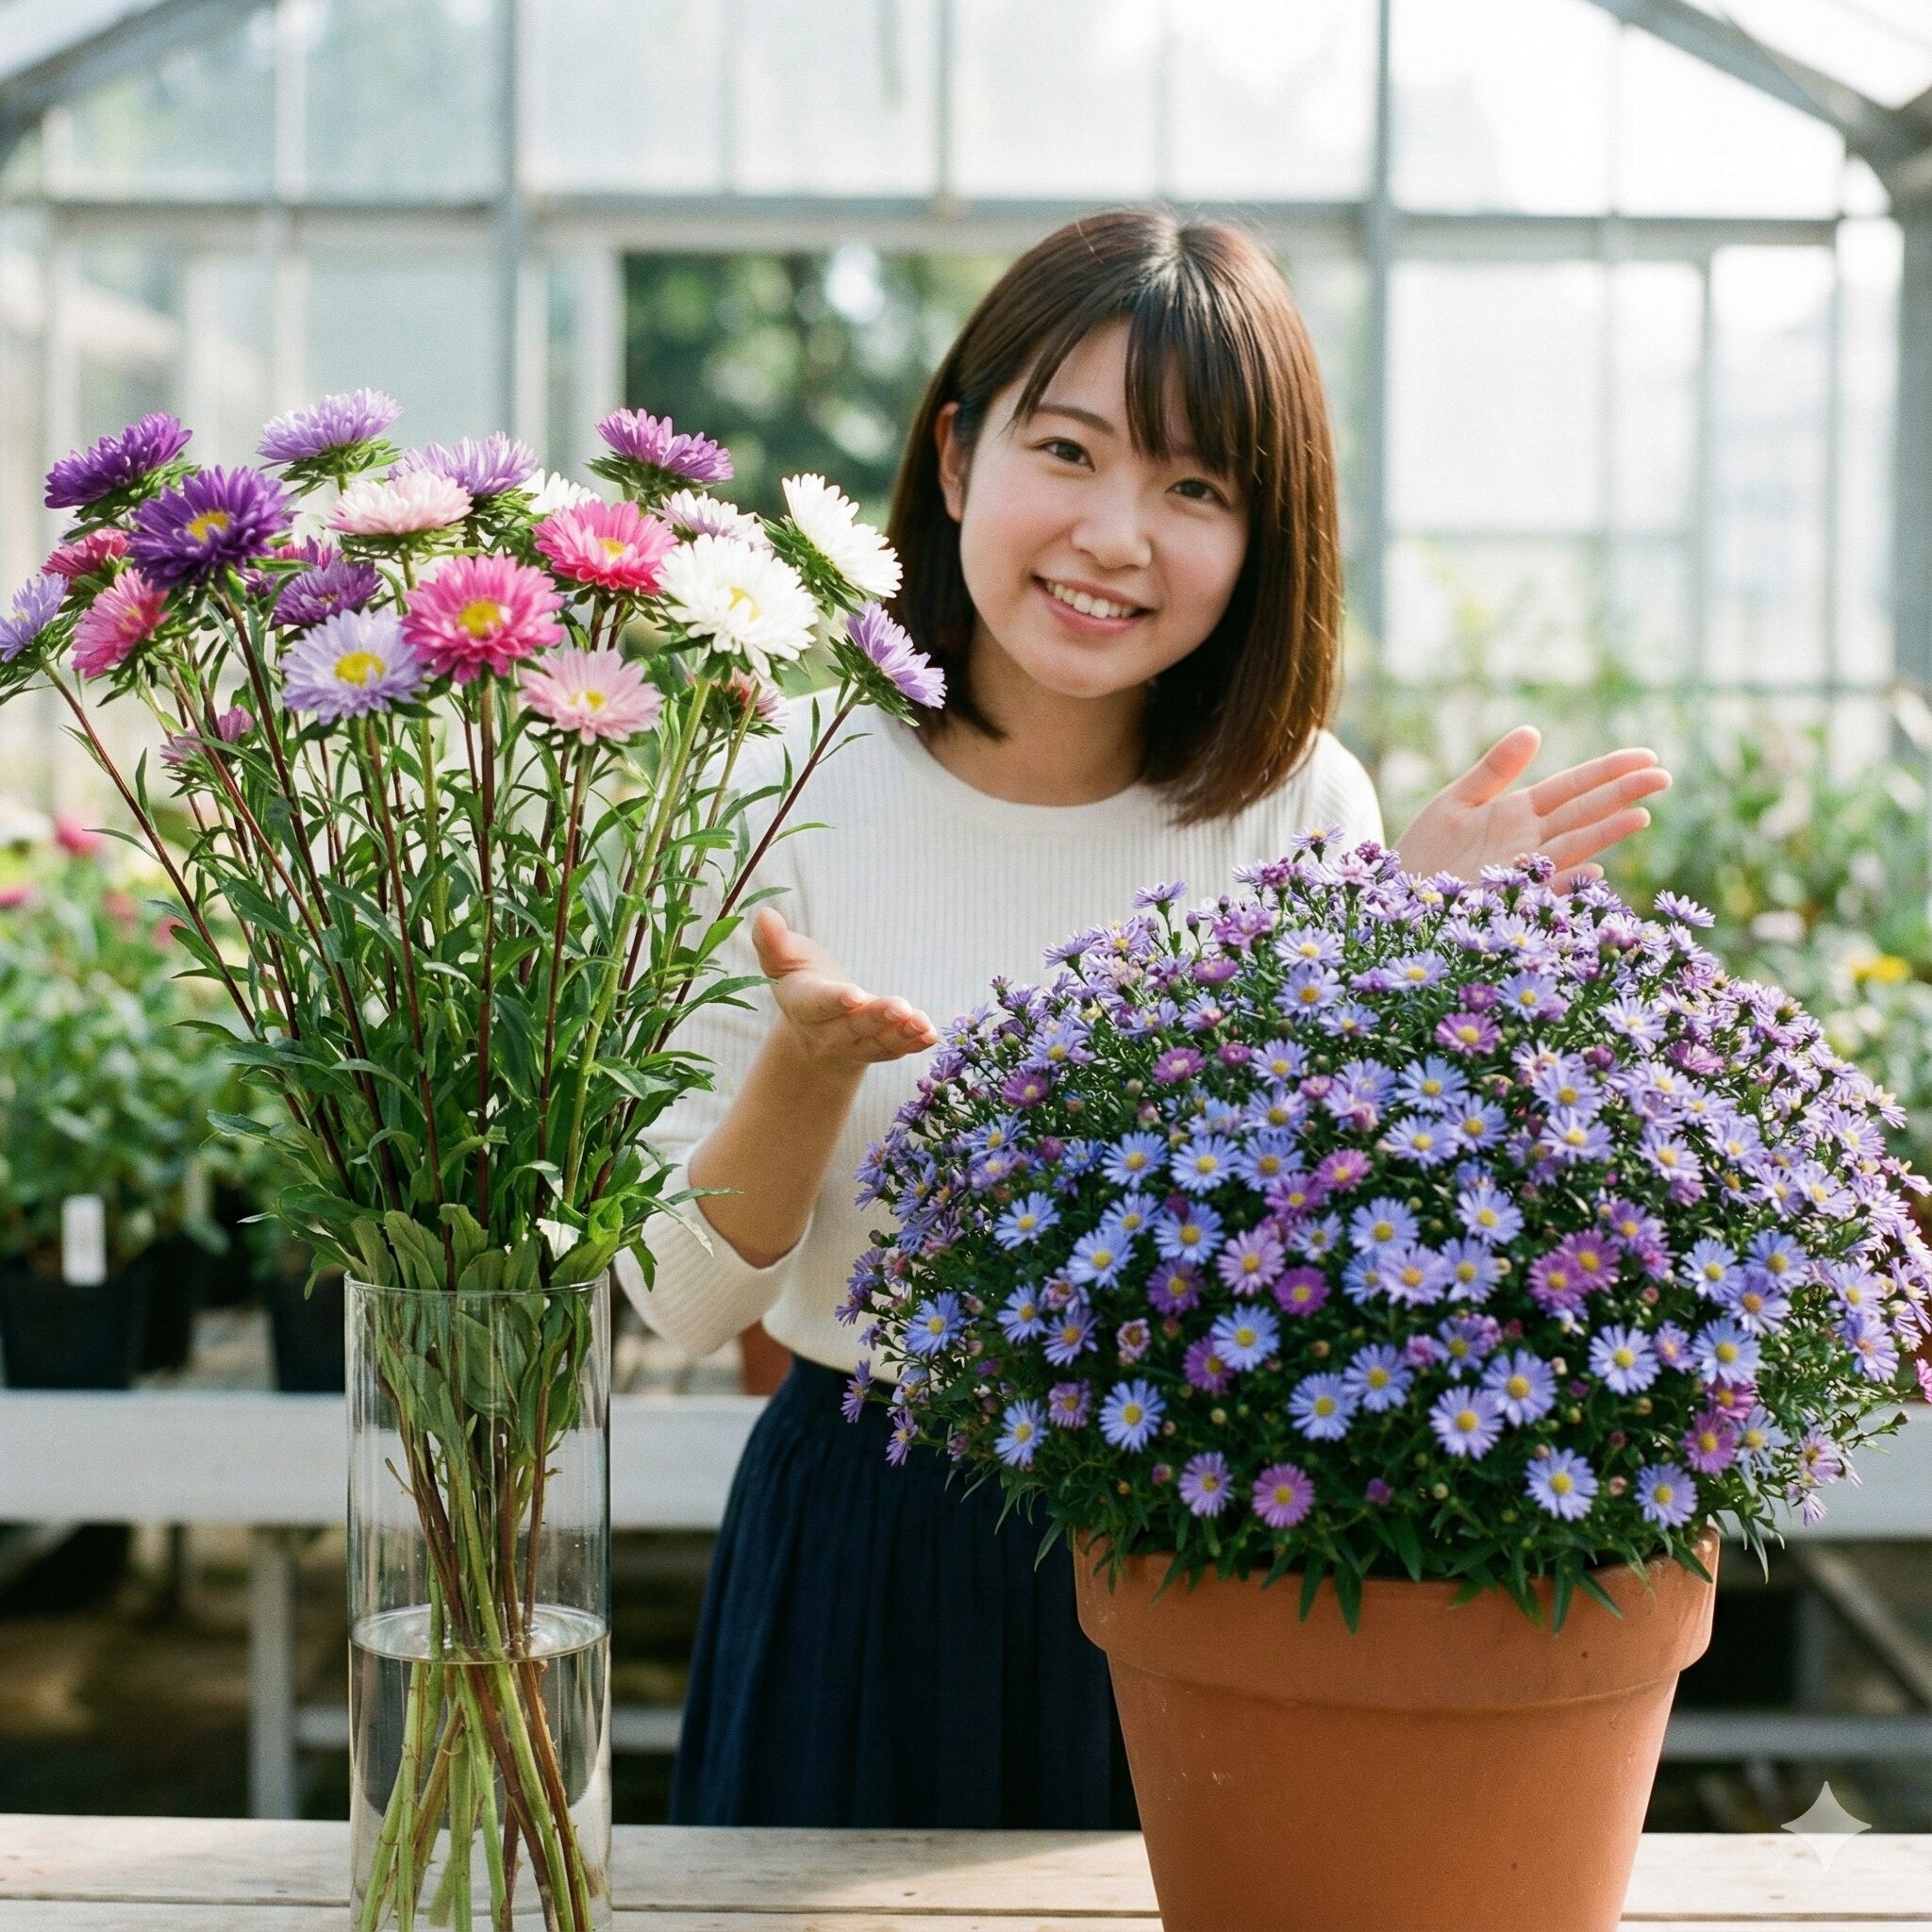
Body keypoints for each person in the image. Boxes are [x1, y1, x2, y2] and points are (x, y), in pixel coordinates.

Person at [614, 208, 1671, 1830]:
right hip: (868, 1548)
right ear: (957, 458)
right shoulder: (775, 786)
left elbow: (1332, 1253)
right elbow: (680, 1305)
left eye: (1196, 489)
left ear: (1266, 539)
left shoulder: (1296, 805)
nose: (1118, 534)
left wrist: (1414, 931)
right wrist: (805, 1070)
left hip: (1202, 1544)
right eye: (1069, 450)